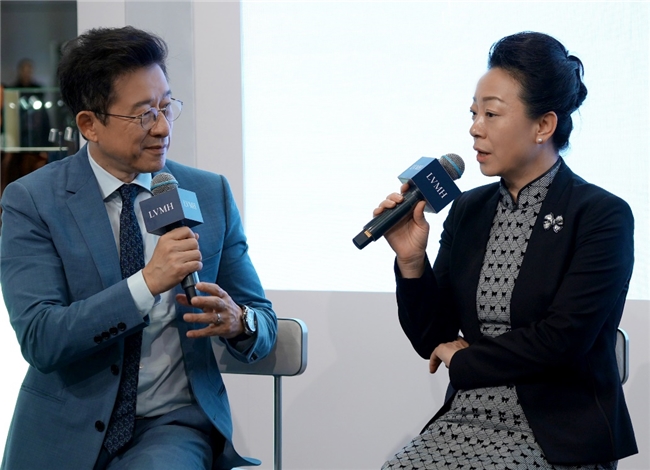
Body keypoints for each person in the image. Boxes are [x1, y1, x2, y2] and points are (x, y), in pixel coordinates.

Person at [0, 26, 277, 470]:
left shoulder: (208, 193)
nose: (163, 127)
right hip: (62, 429)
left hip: (171, 426)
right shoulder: (33, 200)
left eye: (166, 107)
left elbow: (263, 321)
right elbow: (41, 338)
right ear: (89, 125)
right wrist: (147, 283)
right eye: (145, 114)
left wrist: (239, 321)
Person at [378, 32, 636, 469]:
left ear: (543, 126)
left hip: (559, 428)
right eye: (474, 113)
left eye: (492, 114)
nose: (475, 128)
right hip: (467, 415)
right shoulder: (469, 208)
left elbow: (563, 339)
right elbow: (431, 338)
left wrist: (466, 359)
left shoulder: (600, 214)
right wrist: (411, 261)